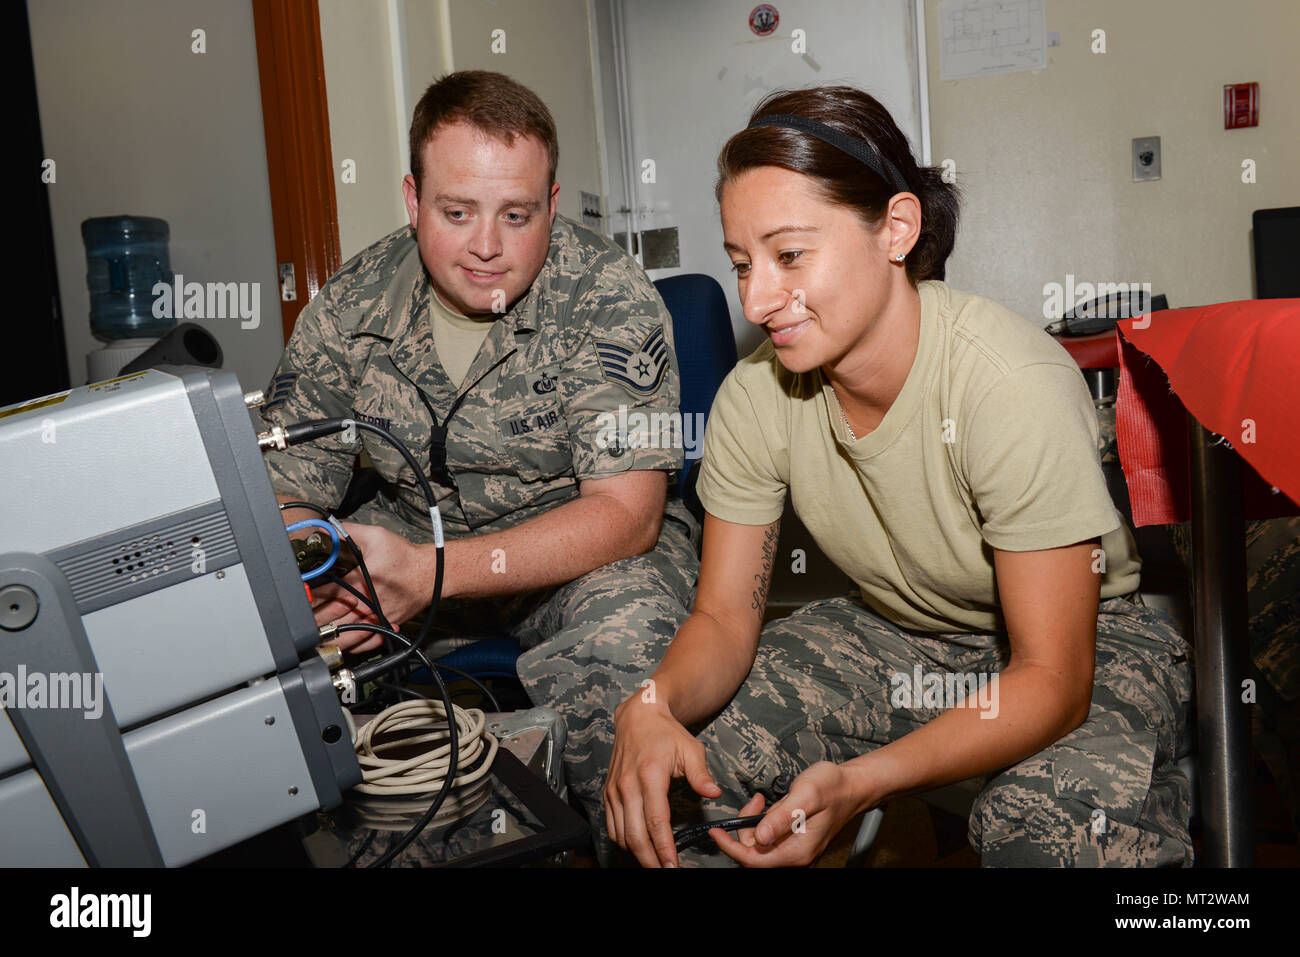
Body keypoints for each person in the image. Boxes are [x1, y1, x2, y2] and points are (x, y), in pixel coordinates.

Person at [603, 86, 1194, 867]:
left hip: (1086, 641)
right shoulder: (757, 394)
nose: (757, 297)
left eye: (789, 256)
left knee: (1040, 826)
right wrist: (651, 705)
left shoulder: (1005, 382)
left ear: (898, 229)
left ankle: (1166, 793)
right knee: (691, 767)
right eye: (742, 264)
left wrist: (863, 781)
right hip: (899, 628)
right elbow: (720, 620)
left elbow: (1052, 677)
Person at [258, 71, 700, 841]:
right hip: (396, 568)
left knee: (627, 647)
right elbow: (283, 489)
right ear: (411, 198)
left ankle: (644, 846)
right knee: (258, 644)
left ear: (554, 206)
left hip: (580, 558)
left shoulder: (612, 298)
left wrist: (431, 571)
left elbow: (628, 517)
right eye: (456, 212)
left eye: (517, 215)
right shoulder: (351, 302)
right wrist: (330, 568)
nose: (487, 246)